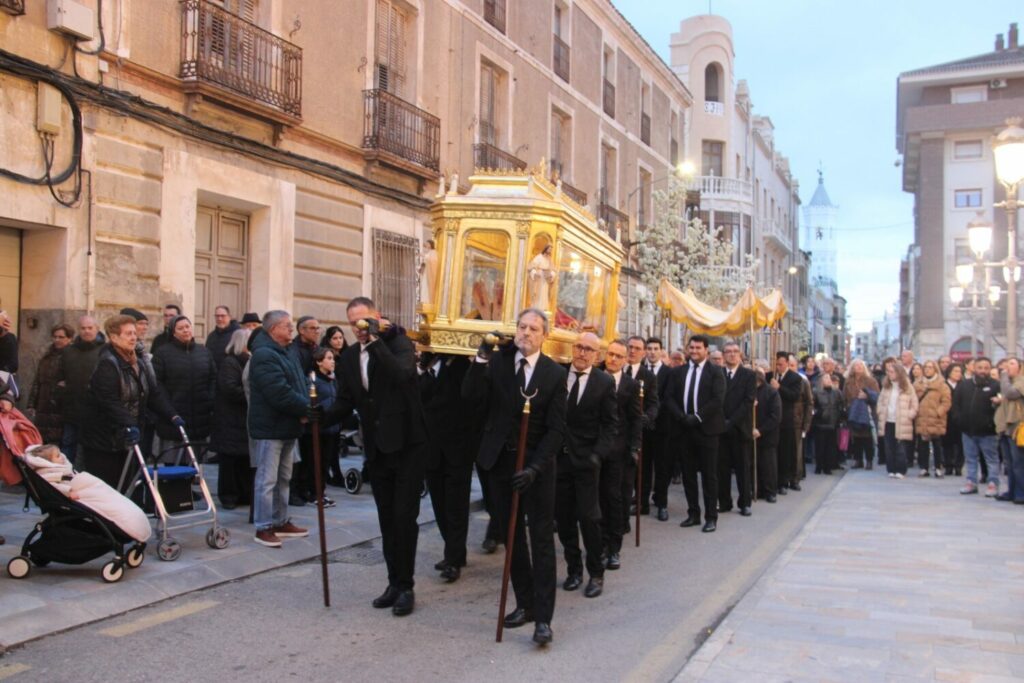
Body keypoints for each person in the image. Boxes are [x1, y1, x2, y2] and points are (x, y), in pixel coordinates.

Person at [462, 308, 566, 646]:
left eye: (534, 329)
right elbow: (471, 398)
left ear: (544, 335)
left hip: (536, 468)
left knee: (539, 540)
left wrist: (535, 468)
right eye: (522, 327)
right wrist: (480, 356)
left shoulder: (553, 374)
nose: (526, 333)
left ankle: (545, 620)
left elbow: (556, 430)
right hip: (499, 464)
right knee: (511, 538)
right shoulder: (498, 362)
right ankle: (526, 603)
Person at [325, 297, 427, 617]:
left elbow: (401, 375)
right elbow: (345, 401)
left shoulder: (399, 343)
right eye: (354, 323)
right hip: (377, 449)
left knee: (403, 517)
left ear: (377, 318)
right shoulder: (350, 357)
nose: (359, 329)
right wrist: (315, 418)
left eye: (364, 322)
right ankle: (393, 582)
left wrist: (378, 339)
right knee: (386, 518)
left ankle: (407, 585)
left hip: (408, 446)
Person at [78, 315, 179, 489]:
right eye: (128, 334)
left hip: (127, 436)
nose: (133, 337)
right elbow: (109, 401)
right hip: (104, 439)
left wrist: (172, 415)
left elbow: (151, 393)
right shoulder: (107, 364)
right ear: (114, 337)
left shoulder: (137, 361)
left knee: (128, 484)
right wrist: (129, 424)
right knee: (109, 487)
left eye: (134, 333)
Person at [556, 332, 616, 598]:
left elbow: (610, 424)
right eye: (579, 347)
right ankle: (573, 570)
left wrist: (597, 455)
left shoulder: (604, 382)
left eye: (588, 349)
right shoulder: (557, 375)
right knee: (564, 518)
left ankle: (596, 573)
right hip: (558, 460)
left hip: (587, 462)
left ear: (597, 355)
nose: (582, 353)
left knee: (589, 518)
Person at [247, 310, 310, 548]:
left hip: (287, 425)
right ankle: (264, 526)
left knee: (284, 477)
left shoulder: (287, 351)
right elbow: (278, 392)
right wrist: (304, 408)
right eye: (287, 326)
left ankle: (280, 520)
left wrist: (306, 407)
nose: (291, 330)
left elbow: (299, 383)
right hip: (270, 427)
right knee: (267, 480)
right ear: (273, 329)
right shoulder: (264, 355)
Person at [420, 352, 480, 583]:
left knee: (455, 507)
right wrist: (424, 368)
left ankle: (454, 559)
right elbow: (420, 394)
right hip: (433, 448)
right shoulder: (431, 365)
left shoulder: (465, 366)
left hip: (458, 449)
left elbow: (463, 400)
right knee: (439, 505)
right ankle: (454, 551)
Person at [666, 334, 725, 533]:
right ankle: (693, 513)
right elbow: (670, 398)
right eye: (691, 348)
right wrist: (681, 417)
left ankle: (711, 517)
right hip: (684, 430)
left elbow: (717, 400)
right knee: (688, 475)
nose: (694, 351)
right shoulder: (679, 372)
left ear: (706, 350)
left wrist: (697, 417)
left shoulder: (716, 372)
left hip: (707, 431)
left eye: (698, 348)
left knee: (709, 475)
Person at [601, 338, 641, 571]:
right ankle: (599, 542)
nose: (613, 359)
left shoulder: (630, 385)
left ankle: (614, 547)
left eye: (619, 356)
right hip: (595, 450)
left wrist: (635, 447)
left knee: (614, 499)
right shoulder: (595, 377)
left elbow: (635, 418)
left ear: (625, 360)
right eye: (611, 354)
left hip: (619, 451)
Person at [152, 316, 217, 458]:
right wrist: (170, 412)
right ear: (173, 333)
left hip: (200, 418)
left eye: (187, 327)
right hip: (173, 419)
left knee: (196, 466)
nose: (185, 331)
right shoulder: (162, 353)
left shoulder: (204, 351)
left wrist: (209, 400)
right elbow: (157, 386)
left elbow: (213, 378)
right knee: (175, 468)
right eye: (180, 328)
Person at [210, 328, 253, 510]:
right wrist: (253, 396)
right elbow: (230, 389)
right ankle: (228, 496)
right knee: (229, 461)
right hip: (230, 419)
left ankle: (244, 494)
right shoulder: (230, 362)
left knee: (244, 460)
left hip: (243, 420)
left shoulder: (249, 362)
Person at [59, 315, 105, 462]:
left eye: (90, 328)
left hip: (96, 411)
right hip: (72, 408)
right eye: (83, 328)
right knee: (67, 444)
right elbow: (61, 377)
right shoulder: (68, 351)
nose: (86, 331)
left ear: (97, 329)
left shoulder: (106, 351)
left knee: (92, 449)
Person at [952, 356, 1000, 496]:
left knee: (991, 459)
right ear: (974, 368)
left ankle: (993, 484)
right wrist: (959, 420)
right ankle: (971, 482)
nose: (983, 371)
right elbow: (956, 405)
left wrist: (992, 423)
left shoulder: (995, 385)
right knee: (970, 458)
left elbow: (1000, 407)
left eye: (986, 368)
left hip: (988, 432)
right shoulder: (964, 385)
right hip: (968, 431)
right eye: (980, 368)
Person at [623, 336, 660, 516]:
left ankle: (641, 502)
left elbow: (654, 403)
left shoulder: (649, 376)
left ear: (643, 352)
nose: (632, 351)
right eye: (630, 347)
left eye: (637, 348)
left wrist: (647, 417)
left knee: (640, 470)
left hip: (638, 431)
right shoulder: (616, 369)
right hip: (616, 429)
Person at [719, 341, 756, 516]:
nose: (732, 355)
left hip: (740, 427)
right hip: (720, 428)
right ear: (723, 355)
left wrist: (731, 421)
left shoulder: (748, 375)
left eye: (735, 351)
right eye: (728, 352)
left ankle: (745, 502)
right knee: (722, 468)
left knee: (743, 468)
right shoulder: (718, 373)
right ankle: (724, 501)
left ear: (740, 354)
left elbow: (748, 402)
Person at [643, 336, 673, 519]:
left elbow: (668, 399)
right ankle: (642, 503)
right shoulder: (641, 371)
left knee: (661, 467)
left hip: (663, 428)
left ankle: (661, 503)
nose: (652, 352)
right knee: (643, 467)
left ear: (661, 351)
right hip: (644, 427)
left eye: (656, 349)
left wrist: (653, 415)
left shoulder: (669, 373)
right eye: (649, 348)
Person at [28, 324, 73, 444]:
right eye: (55, 337)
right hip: (43, 405)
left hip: (60, 406)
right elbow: (37, 381)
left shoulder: (72, 357)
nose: (57, 340)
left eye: (61, 337)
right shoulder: (46, 356)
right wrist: (32, 404)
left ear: (69, 338)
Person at [877, 358, 918, 480]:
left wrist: (910, 414)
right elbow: (880, 401)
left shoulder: (907, 387)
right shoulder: (886, 387)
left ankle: (901, 469)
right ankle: (891, 469)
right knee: (889, 447)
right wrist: (879, 411)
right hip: (888, 420)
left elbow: (914, 403)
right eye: (888, 372)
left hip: (902, 421)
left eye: (892, 372)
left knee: (900, 447)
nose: (889, 374)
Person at [319, 325, 350, 486]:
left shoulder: (348, 355)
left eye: (341, 338)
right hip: (331, 401)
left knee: (335, 441)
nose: (339, 341)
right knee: (328, 443)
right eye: (335, 338)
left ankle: (335, 472)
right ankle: (332, 474)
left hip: (342, 400)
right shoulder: (327, 357)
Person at [771, 351, 802, 496]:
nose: (778, 367)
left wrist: (779, 388)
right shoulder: (770, 376)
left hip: (786, 420)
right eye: (776, 364)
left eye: (781, 364)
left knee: (785, 453)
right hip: (772, 419)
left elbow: (794, 396)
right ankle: (773, 481)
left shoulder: (795, 378)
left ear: (787, 364)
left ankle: (784, 481)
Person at [994, 358, 1024, 503]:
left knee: (1018, 463)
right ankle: (1011, 491)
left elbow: (1011, 393)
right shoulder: (1009, 383)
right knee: (1009, 463)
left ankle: (1020, 493)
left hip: (1017, 428)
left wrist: (1004, 376)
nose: (1007, 367)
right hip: (1005, 428)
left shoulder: (1021, 381)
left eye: (1012, 364)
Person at [914, 359, 951, 478]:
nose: (927, 369)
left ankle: (938, 467)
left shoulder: (942, 384)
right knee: (923, 444)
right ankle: (924, 468)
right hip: (922, 418)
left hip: (936, 419)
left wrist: (938, 412)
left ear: (935, 369)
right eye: (925, 367)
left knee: (937, 444)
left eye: (930, 367)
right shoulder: (917, 384)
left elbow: (946, 402)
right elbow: (913, 399)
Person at [844, 360, 879, 470]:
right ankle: (858, 459)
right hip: (853, 411)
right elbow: (844, 396)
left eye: (860, 365)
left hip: (866, 411)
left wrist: (867, 396)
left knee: (867, 438)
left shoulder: (870, 380)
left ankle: (869, 460)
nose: (858, 367)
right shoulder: (848, 381)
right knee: (856, 438)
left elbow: (877, 395)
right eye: (856, 365)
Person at [753, 366, 781, 502]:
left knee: (768, 464)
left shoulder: (771, 393)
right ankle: (758, 489)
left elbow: (775, 416)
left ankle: (770, 491)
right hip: (752, 433)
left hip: (767, 434)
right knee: (755, 463)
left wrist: (761, 430)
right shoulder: (750, 392)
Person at [812, 373, 843, 475]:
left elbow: (840, 405)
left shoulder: (836, 392)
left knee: (831, 446)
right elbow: (813, 406)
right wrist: (818, 413)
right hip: (820, 423)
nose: (828, 380)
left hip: (833, 422)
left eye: (829, 378)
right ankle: (819, 466)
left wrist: (839, 417)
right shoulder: (816, 392)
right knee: (820, 446)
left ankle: (828, 467)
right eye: (825, 378)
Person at [943, 363, 965, 476]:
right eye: (955, 371)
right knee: (947, 443)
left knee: (960, 443)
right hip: (946, 418)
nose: (958, 374)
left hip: (960, 418)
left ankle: (958, 466)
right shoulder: (943, 385)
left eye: (959, 371)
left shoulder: (964, 385)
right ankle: (948, 465)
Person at [205, 305, 241, 370]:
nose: (219, 319)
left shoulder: (238, 334)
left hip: (231, 375)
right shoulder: (211, 336)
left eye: (222, 316)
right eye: (217, 316)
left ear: (229, 317)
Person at [527, 244, 556, 311]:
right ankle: (536, 308)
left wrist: (552, 274)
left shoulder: (549, 259)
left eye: (551, 249)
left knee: (544, 293)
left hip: (546, 278)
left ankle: (543, 308)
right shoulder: (539, 257)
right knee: (538, 293)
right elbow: (531, 267)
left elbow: (554, 269)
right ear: (545, 249)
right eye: (549, 249)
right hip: (539, 278)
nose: (550, 250)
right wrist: (534, 273)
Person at [420, 239, 440, 306]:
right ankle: (425, 301)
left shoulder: (434, 252)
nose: (427, 245)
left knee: (428, 288)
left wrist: (424, 256)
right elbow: (426, 262)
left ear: (431, 244)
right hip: (427, 273)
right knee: (424, 287)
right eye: (427, 244)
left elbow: (434, 261)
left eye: (428, 244)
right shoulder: (429, 252)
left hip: (430, 274)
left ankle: (428, 301)